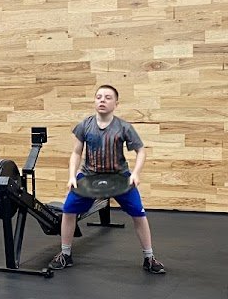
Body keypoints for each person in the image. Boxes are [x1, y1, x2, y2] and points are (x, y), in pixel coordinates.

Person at [49, 84, 166, 274]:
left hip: (119, 177)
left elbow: (141, 151)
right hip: (89, 176)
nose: (102, 100)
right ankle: (65, 254)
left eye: (107, 97)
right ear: (94, 101)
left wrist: (136, 173)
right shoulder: (84, 125)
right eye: (99, 97)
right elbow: (76, 152)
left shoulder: (124, 127)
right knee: (68, 210)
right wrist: (72, 176)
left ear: (116, 104)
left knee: (138, 213)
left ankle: (149, 257)